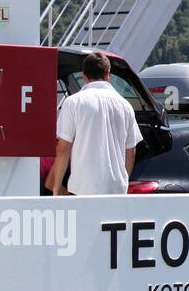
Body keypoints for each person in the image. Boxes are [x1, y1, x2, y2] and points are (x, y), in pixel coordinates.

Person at [47, 52, 141, 196]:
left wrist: (57, 187)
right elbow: (131, 151)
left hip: (83, 187)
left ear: (84, 76)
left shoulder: (73, 102)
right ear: (108, 74)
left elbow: (63, 149)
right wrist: (124, 182)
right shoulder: (125, 106)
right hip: (116, 189)